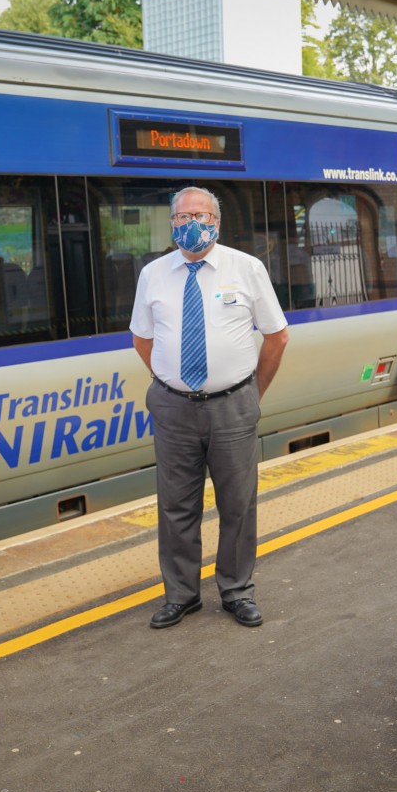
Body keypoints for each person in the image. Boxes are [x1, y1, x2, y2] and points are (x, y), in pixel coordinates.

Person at [129, 186, 289, 629]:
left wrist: (252, 395)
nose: (190, 224)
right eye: (181, 217)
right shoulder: (154, 274)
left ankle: (237, 591)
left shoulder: (247, 268)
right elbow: (142, 338)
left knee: (237, 504)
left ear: (216, 223)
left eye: (199, 215)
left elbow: (277, 336)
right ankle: (182, 595)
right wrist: (171, 381)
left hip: (234, 405)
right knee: (175, 505)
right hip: (174, 407)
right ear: (171, 224)